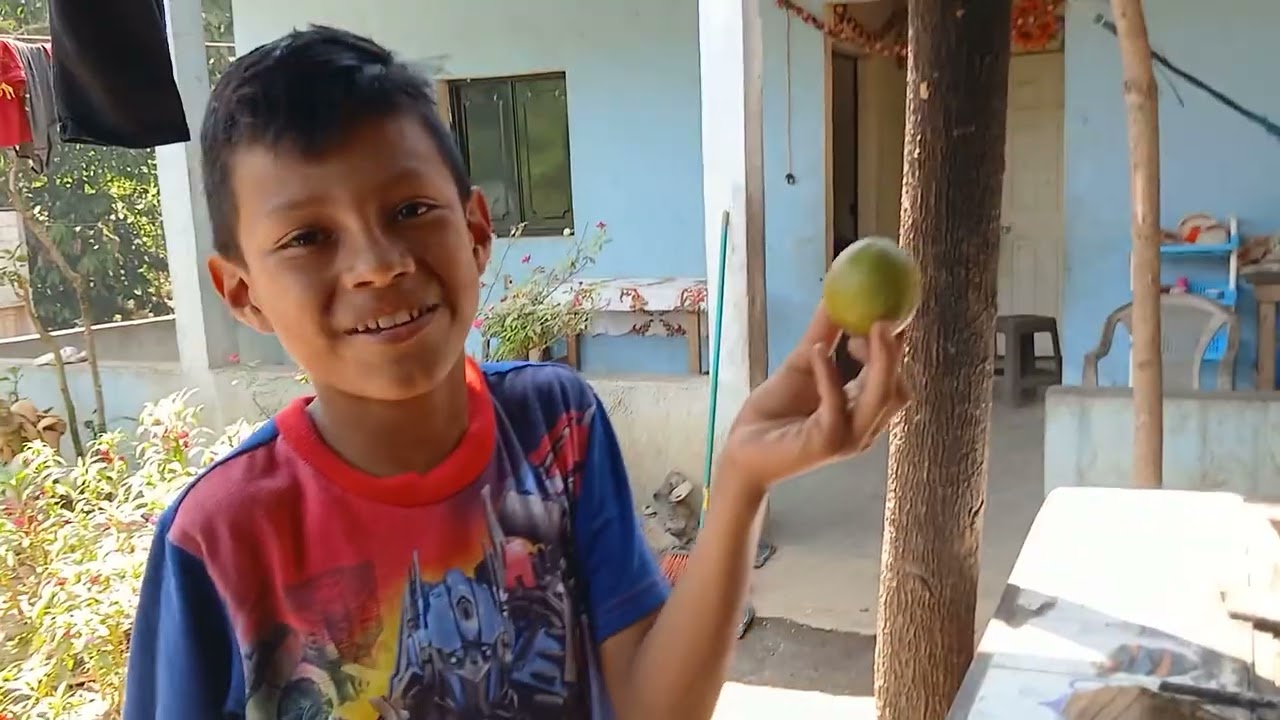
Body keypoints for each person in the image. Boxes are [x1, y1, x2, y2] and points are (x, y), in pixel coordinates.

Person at [122, 26, 910, 720]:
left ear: (475, 230)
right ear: (242, 292)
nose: (378, 264)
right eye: (307, 238)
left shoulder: (555, 428)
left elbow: (651, 707)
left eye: (409, 210)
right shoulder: (218, 538)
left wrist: (741, 482)